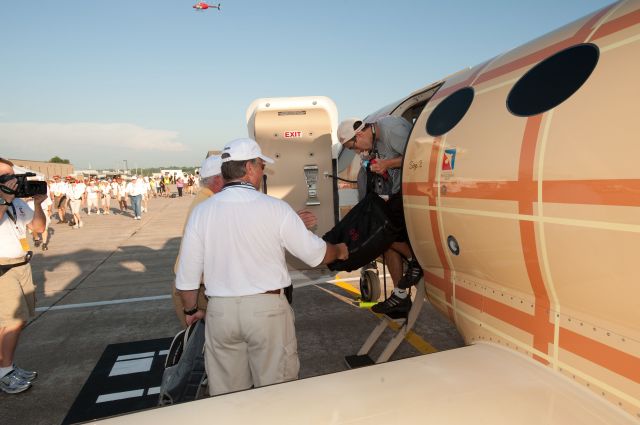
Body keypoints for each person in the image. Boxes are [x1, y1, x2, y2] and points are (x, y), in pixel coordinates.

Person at [175, 138, 348, 396]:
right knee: (276, 395)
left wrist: (191, 309)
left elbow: (186, 277)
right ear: (249, 168)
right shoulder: (275, 208)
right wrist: (340, 250)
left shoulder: (203, 212)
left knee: (228, 398)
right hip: (266, 312)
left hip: (221, 313)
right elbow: (315, 255)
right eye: (261, 165)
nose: (262, 171)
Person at [337, 116, 423, 315]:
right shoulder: (372, 143)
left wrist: (387, 164)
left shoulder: (393, 130)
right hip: (392, 194)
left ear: (359, 134)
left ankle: (414, 261)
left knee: (380, 234)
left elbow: (417, 156)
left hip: (408, 193)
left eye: (355, 147)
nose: (358, 152)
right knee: (385, 244)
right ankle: (400, 295)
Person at [0, 158, 46, 394]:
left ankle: (6, 366)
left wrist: (37, 204)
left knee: (19, 320)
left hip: (21, 265)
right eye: (6, 176)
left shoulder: (17, 203)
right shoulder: (6, 201)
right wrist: (4, 198)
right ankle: (4, 372)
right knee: (12, 321)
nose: (13, 180)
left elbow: (38, 228)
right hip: (3, 269)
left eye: (13, 175)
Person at [172, 155, 225, 327]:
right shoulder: (209, 204)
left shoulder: (205, 199)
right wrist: (191, 309)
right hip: (198, 293)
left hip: (198, 290)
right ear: (218, 179)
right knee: (209, 350)